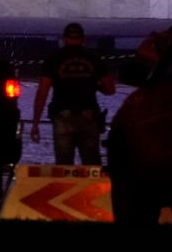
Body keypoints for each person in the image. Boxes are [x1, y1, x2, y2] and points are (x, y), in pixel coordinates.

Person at [30, 21, 115, 165]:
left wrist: (36, 123)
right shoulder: (93, 59)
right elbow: (110, 89)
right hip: (89, 117)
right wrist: (95, 86)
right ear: (83, 39)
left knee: (64, 168)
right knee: (92, 167)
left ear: (65, 39)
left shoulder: (54, 59)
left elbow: (42, 94)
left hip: (63, 117)